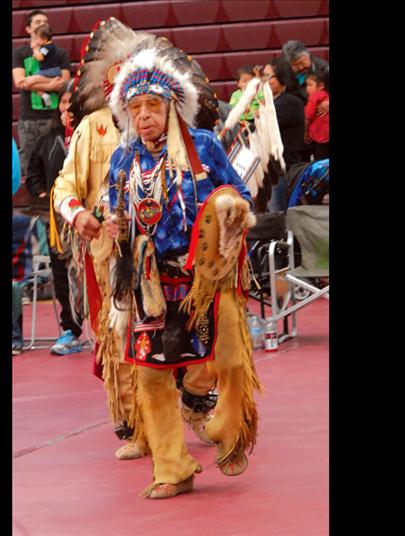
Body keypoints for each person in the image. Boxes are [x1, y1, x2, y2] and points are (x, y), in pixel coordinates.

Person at [52, 19, 220, 460]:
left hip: (172, 253)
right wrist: (81, 215)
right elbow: (64, 188)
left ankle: (196, 404)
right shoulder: (94, 130)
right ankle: (139, 428)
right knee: (125, 342)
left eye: (150, 102)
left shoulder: (181, 137)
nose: (142, 112)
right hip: (115, 256)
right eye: (132, 99)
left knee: (193, 331)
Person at [105, 43, 262, 499]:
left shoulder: (204, 147)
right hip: (152, 283)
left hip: (206, 277)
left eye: (152, 105)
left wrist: (230, 207)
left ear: (172, 107)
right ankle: (172, 467)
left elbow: (240, 196)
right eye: (135, 108)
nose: (144, 116)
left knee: (228, 359)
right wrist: (111, 223)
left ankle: (229, 430)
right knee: (152, 376)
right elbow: (114, 209)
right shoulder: (123, 160)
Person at [25, 80, 84, 355]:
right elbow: (33, 171)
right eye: (63, 103)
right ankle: (70, 330)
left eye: (71, 103)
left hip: (89, 220)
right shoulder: (48, 140)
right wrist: (40, 193)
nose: (67, 108)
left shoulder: (91, 136)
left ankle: (106, 328)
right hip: (58, 221)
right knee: (62, 275)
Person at [12, 10, 71, 174]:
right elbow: (19, 82)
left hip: (54, 119)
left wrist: (35, 82)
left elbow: (64, 84)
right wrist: (51, 84)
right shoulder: (19, 53)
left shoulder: (59, 53)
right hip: (30, 121)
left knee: (58, 167)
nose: (42, 24)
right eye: (37, 22)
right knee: (30, 169)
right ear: (28, 29)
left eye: (45, 21)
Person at [262, 57, 305, 212]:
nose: (265, 80)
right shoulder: (274, 100)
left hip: (283, 170)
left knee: (278, 216)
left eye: (270, 76)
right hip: (272, 169)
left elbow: (263, 125)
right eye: (264, 76)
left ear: (282, 77)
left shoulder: (290, 102)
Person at [282, 39, 329, 111]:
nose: (300, 67)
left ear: (308, 55)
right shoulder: (286, 69)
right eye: (295, 65)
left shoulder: (324, 69)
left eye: (302, 62)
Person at [29, 24, 62, 108]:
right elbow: (36, 56)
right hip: (46, 70)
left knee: (31, 81)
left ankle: (48, 87)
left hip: (50, 70)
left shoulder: (47, 47)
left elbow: (40, 58)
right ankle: (45, 95)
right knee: (32, 84)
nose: (35, 40)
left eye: (37, 38)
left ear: (44, 39)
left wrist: (35, 49)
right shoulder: (45, 47)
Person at [304, 70, 329, 161]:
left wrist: (305, 132)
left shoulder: (314, 97)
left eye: (310, 85)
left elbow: (307, 117)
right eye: (306, 85)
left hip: (320, 136)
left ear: (321, 86)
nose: (307, 88)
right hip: (325, 135)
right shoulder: (326, 95)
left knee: (320, 161)